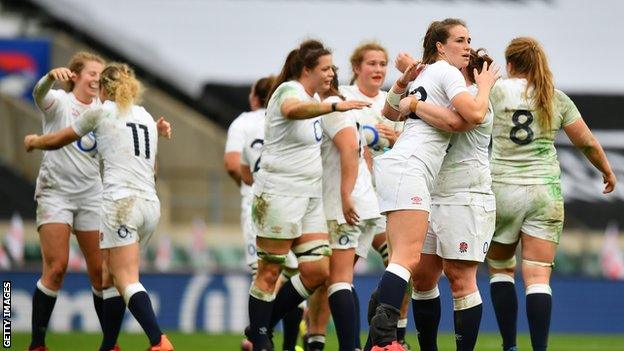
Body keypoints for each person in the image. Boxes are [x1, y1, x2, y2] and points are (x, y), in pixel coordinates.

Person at [368, 18, 499, 351]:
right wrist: (483, 85)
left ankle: (377, 338)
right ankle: (384, 340)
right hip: (414, 172)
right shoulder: (446, 74)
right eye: (459, 40)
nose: (467, 47)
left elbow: (393, 111)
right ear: (441, 47)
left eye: (469, 40)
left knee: (411, 264)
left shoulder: (427, 75)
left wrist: (406, 90)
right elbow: (470, 114)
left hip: (430, 179)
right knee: (407, 261)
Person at [25, 62, 175, 351]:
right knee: (106, 275)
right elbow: (152, 166)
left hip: (119, 202)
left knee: (125, 278)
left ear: (105, 88)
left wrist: (35, 141)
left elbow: (60, 139)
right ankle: (108, 346)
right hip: (148, 204)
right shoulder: (144, 116)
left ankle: (158, 341)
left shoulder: (101, 110)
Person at [485, 37, 616, 351]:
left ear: (511, 63)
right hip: (545, 193)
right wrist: (607, 170)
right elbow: (586, 142)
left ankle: (509, 346)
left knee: (501, 269)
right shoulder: (555, 98)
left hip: (502, 189)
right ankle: (540, 349)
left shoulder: (496, 91)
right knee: (538, 277)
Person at [246, 39, 369, 351]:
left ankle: (261, 323)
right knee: (270, 270)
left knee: (318, 271)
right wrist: (333, 105)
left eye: (331, 68)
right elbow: (291, 110)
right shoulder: (290, 90)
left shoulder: (313, 97)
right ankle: (260, 339)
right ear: (307, 70)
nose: (331, 74)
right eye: (325, 68)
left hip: (309, 197)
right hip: (280, 193)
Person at [396, 48, 496, 351]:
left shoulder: (476, 100)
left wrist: (414, 102)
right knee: (423, 278)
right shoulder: (443, 93)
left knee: (459, 277)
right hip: (432, 193)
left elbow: (453, 121)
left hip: (466, 195)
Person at [28, 52, 107, 351]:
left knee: (101, 274)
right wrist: (49, 76)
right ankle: (37, 344)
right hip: (55, 192)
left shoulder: (103, 111)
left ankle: (109, 344)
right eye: (91, 73)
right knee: (57, 268)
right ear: (74, 76)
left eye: (101, 75)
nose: (97, 79)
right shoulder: (59, 102)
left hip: (90, 195)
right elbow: (38, 93)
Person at [314, 68, 382, 351]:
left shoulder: (330, 111)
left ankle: (349, 345)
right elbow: (364, 154)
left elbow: (349, 149)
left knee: (336, 279)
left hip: (348, 205)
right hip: (365, 203)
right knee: (342, 278)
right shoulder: (348, 111)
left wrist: (345, 194)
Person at [239, 76, 305, 351]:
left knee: (268, 274)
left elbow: (239, 169)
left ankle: (261, 333)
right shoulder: (297, 124)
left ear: (256, 98)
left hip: (262, 206)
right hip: (292, 201)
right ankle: (277, 340)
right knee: (292, 277)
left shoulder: (246, 126)